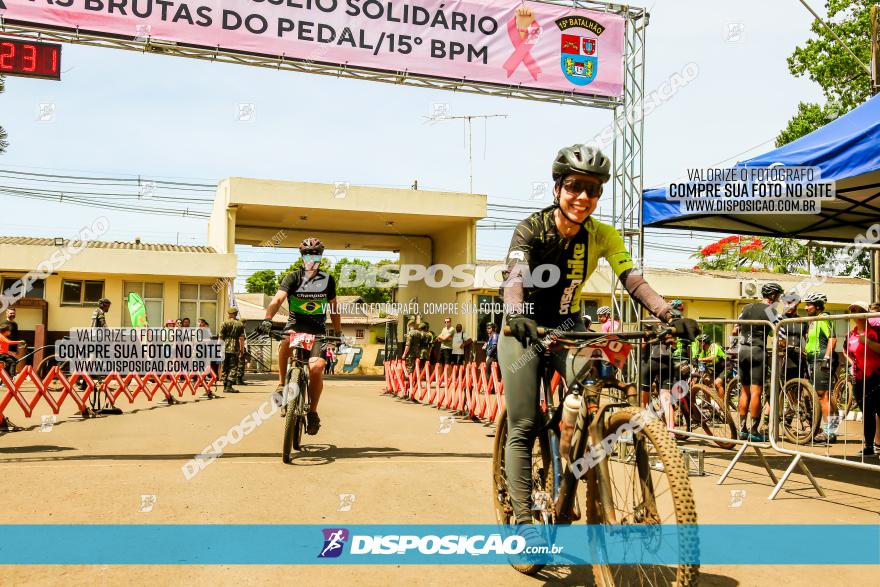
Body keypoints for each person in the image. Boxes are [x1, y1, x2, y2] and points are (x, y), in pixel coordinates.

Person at [500, 144, 699, 527]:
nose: (583, 197)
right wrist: (515, 313)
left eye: (593, 190)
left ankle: (571, 472)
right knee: (524, 424)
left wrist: (667, 313)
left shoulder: (603, 235)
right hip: (522, 328)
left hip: (568, 327)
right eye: (575, 186)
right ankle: (523, 520)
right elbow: (514, 277)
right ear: (557, 187)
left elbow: (633, 280)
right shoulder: (531, 227)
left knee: (587, 392)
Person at [258, 237, 342, 435]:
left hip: (317, 330)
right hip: (296, 326)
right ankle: (281, 385)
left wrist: (337, 333)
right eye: (307, 254)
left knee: (317, 368)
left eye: (315, 254)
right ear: (302, 257)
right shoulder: (293, 277)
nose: (312, 257)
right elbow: (278, 299)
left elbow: (334, 308)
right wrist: (268, 318)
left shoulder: (328, 280)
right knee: (286, 340)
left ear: (320, 256)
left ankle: (312, 412)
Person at [733, 282, 783, 441]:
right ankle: (754, 432)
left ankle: (742, 430)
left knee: (744, 391)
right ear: (773, 296)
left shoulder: (746, 308)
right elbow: (780, 336)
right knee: (756, 392)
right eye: (779, 296)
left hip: (743, 351)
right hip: (757, 351)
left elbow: (735, 330)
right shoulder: (771, 311)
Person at [844, 301, 880, 457]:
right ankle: (869, 447)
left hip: (877, 376)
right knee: (867, 412)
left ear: (866, 313)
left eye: (859, 310)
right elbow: (846, 350)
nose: (855, 313)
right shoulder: (851, 334)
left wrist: (869, 343)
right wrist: (853, 363)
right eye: (852, 311)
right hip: (860, 378)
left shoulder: (875, 331)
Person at [804, 292, 839, 444]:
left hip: (820, 359)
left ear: (818, 306)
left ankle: (829, 432)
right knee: (824, 396)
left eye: (809, 305)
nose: (806, 308)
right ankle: (830, 430)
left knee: (822, 396)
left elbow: (833, 338)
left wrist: (826, 358)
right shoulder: (814, 320)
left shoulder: (823, 318)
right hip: (813, 359)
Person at [219, 307, 245, 394]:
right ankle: (229, 386)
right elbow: (241, 338)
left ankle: (225, 385)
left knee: (225, 366)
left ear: (229, 314)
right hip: (234, 348)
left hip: (224, 347)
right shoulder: (240, 324)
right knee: (233, 367)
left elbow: (221, 336)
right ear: (236, 313)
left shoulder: (224, 323)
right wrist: (242, 350)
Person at [695, 333, 727, 400]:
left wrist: (700, 359)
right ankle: (707, 402)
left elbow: (712, 357)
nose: (699, 344)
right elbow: (701, 363)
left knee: (717, 383)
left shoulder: (713, 346)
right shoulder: (703, 352)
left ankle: (722, 406)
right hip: (717, 368)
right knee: (706, 381)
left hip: (726, 366)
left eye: (700, 342)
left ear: (704, 342)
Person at [4, 309, 26, 374]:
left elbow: (16, 336)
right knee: (9, 364)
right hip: (6, 348)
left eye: (13, 313)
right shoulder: (4, 324)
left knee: (13, 363)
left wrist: (18, 346)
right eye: (11, 313)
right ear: (6, 314)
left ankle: (9, 380)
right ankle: (6, 380)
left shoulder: (15, 324)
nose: (12, 314)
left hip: (14, 348)